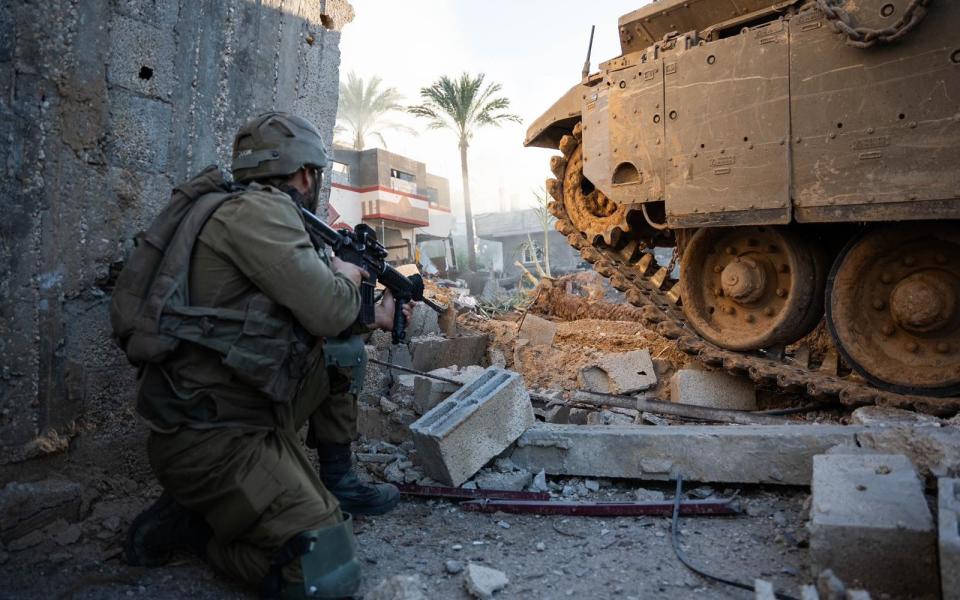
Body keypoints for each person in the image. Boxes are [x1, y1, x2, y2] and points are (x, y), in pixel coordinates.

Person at [121, 112, 409, 598]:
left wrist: (371, 315)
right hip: (214, 438)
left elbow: (292, 311)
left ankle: (334, 481)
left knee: (341, 352)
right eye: (317, 177)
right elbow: (327, 304)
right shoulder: (262, 214)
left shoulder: (247, 211)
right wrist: (351, 273)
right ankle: (200, 533)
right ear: (304, 175)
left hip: (225, 412)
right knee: (327, 572)